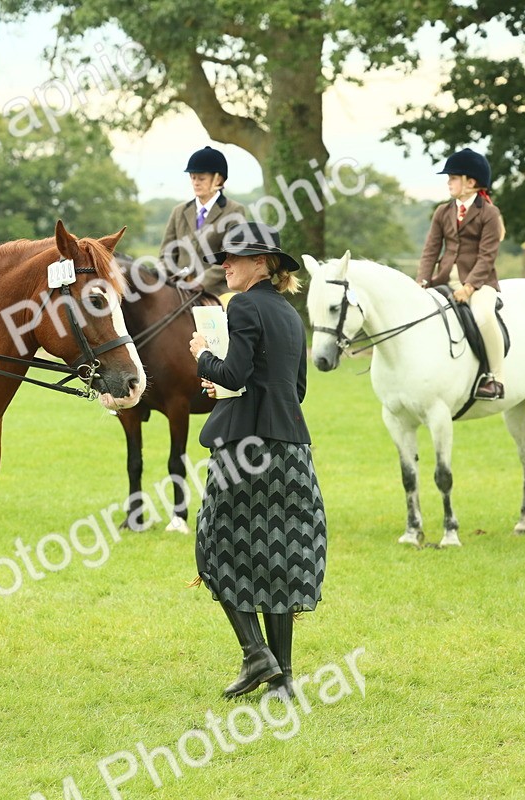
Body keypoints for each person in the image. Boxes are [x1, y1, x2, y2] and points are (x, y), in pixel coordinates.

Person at [187, 222, 327, 699]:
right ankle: (283, 679)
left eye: (235, 258)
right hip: (291, 449)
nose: (225, 265)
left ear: (263, 264)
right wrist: (227, 388)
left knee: (214, 547)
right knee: (279, 556)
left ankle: (255, 653)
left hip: (246, 449)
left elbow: (236, 370)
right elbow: (295, 389)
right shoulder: (290, 314)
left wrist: (205, 358)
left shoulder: (243, 305)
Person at [418, 147, 506, 400]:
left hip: (479, 283)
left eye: (453, 177)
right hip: (444, 281)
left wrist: (469, 287)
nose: (448, 182)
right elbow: (430, 251)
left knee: (483, 315)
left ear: (471, 182)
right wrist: (422, 281)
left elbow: (487, 256)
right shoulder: (442, 212)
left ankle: (496, 378)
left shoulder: (489, 213)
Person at [159, 146, 248, 297]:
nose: (195, 183)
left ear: (218, 179)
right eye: (193, 178)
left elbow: (231, 256)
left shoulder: (234, 211)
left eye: (201, 178)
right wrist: (163, 277)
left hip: (215, 292)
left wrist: (198, 282)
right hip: (178, 291)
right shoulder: (178, 212)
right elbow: (166, 255)